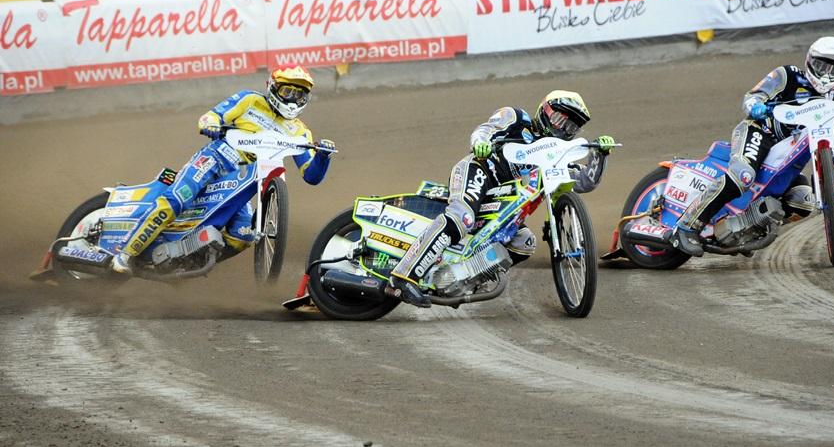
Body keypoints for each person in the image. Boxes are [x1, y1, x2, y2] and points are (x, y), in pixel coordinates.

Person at [389, 90, 617, 307]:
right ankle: (404, 276)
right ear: (545, 111)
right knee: (462, 218)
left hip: (502, 203)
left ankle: (460, 279)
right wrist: (480, 143)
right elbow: (484, 130)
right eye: (560, 119)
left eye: (571, 126)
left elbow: (585, 182)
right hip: (479, 171)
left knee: (524, 242)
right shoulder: (517, 118)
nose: (563, 129)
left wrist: (600, 155)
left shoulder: (556, 157)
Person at [671, 36, 834, 256]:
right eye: (821, 66)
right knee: (743, 176)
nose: (825, 74)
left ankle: (745, 230)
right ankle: (687, 226)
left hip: (784, 157)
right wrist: (756, 107)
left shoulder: (833, 102)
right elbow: (752, 96)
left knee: (803, 201)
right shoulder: (788, 75)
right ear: (810, 61)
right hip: (759, 132)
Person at [111, 66, 336, 275]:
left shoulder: (300, 132)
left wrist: (323, 156)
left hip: (243, 179)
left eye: (299, 94)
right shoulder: (250, 100)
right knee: (176, 199)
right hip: (216, 159)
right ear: (273, 87)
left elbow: (311, 176)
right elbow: (212, 116)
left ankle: (189, 262)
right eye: (288, 91)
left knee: (242, 236)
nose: (293, 99)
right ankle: (125, 252)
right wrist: (210, 124)